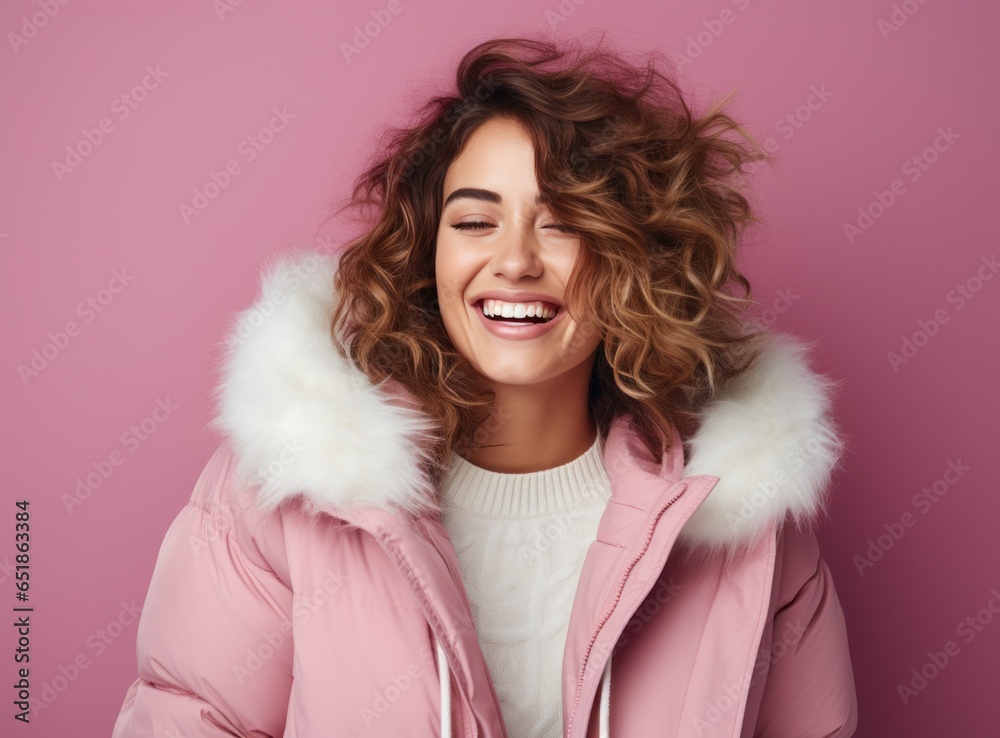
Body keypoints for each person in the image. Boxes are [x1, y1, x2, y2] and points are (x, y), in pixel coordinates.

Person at [112, 34, 858, 738]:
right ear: (426, 254)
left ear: (634, 260)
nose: (515, 261)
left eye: (563, 223)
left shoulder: (743, 521)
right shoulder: (284, 494)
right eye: (475, 221)